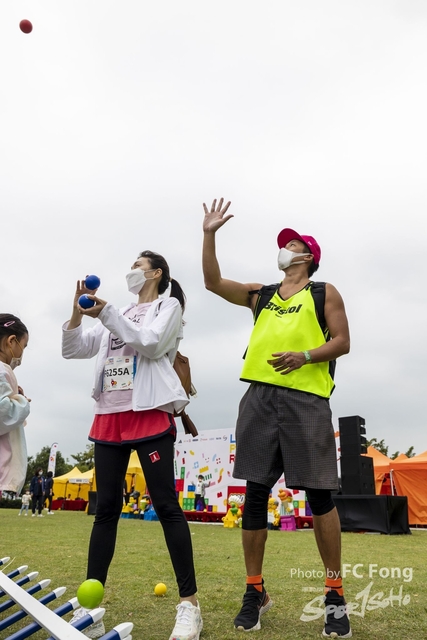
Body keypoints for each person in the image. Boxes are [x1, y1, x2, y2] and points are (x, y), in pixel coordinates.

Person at [202, 199, 351, 638]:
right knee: (254, 493)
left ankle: (335, 596)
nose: (284, 249)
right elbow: (212, 282)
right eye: (284, 245)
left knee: (320, 496)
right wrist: (209, 234)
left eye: (293, 245)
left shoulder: (323, 292)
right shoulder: (261, 294)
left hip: (307, 399)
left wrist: (305, 356)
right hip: (259, 398)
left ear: (308, 257)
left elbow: (342, 341)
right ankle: (255, 591)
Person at [62, 251, 203, 640]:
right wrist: (77, 312)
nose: (131, 271)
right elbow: (73, 348)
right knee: (105, 510)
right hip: (109, 415)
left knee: (166, 505)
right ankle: (91, 612)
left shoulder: (167, 307)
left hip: (148, 411)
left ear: (155, 273)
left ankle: (189, 605)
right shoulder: (119, 312)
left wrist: (107, 313)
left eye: (138, 266)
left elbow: (151, 343)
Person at [0, 314, 31, 498]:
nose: (21, 355)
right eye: (23, 346)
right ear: (11, 341)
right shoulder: (2, 370)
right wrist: (22, 402)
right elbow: (3, 413)